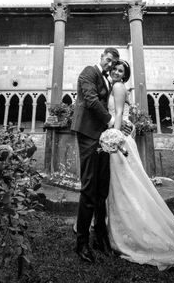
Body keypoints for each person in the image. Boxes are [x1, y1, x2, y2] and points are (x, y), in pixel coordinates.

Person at [106, 59, 174, 271]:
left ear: (124, 75)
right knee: (125, 185)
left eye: (121, 70)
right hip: (120, 136)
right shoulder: (113, 86)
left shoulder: (119, 87)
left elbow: (119, 114)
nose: (117, 72)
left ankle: (130, 231)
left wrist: (114, 136)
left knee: (125, 186)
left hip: (119, 139)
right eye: (115, 69)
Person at [71, 47, 119, 263]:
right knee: (89, 188)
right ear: (101, 57)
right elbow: (90, 100)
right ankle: (81, 244)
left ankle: (100, 237)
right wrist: (110, 121)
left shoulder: (108, 80)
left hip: (102, 138)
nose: (109, 64)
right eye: (108, 60)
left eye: (113, 62)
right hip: (88, 135)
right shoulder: (89, 72)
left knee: (102, 189)